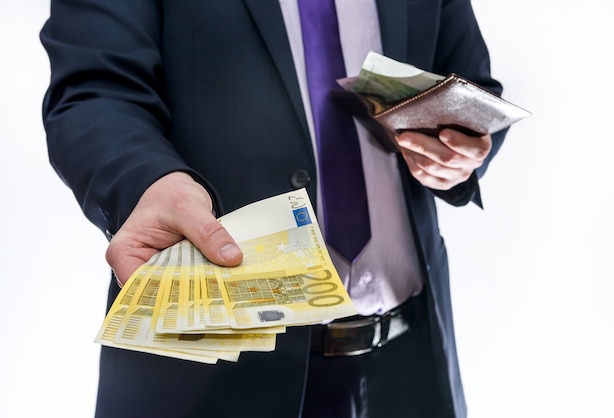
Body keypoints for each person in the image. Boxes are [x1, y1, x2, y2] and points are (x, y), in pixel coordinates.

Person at [40, 1, 507, 417]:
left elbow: (470, 87)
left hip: (412, 360)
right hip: (216, 367)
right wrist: (149, 182)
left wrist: (458, 151)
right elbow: (95, 89)